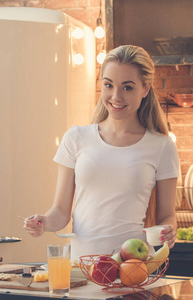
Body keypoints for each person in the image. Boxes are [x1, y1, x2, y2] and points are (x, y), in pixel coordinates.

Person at [23, 45, 179, 260]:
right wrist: (44, 222)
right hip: (82, 266)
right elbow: (60, 211)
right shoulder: (76, 138)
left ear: (145, 89)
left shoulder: (162, 146)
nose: (116, 96)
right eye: (108, 85)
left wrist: (169, 229)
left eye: (127, 87)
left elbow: (167, 215)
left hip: (133, 266)